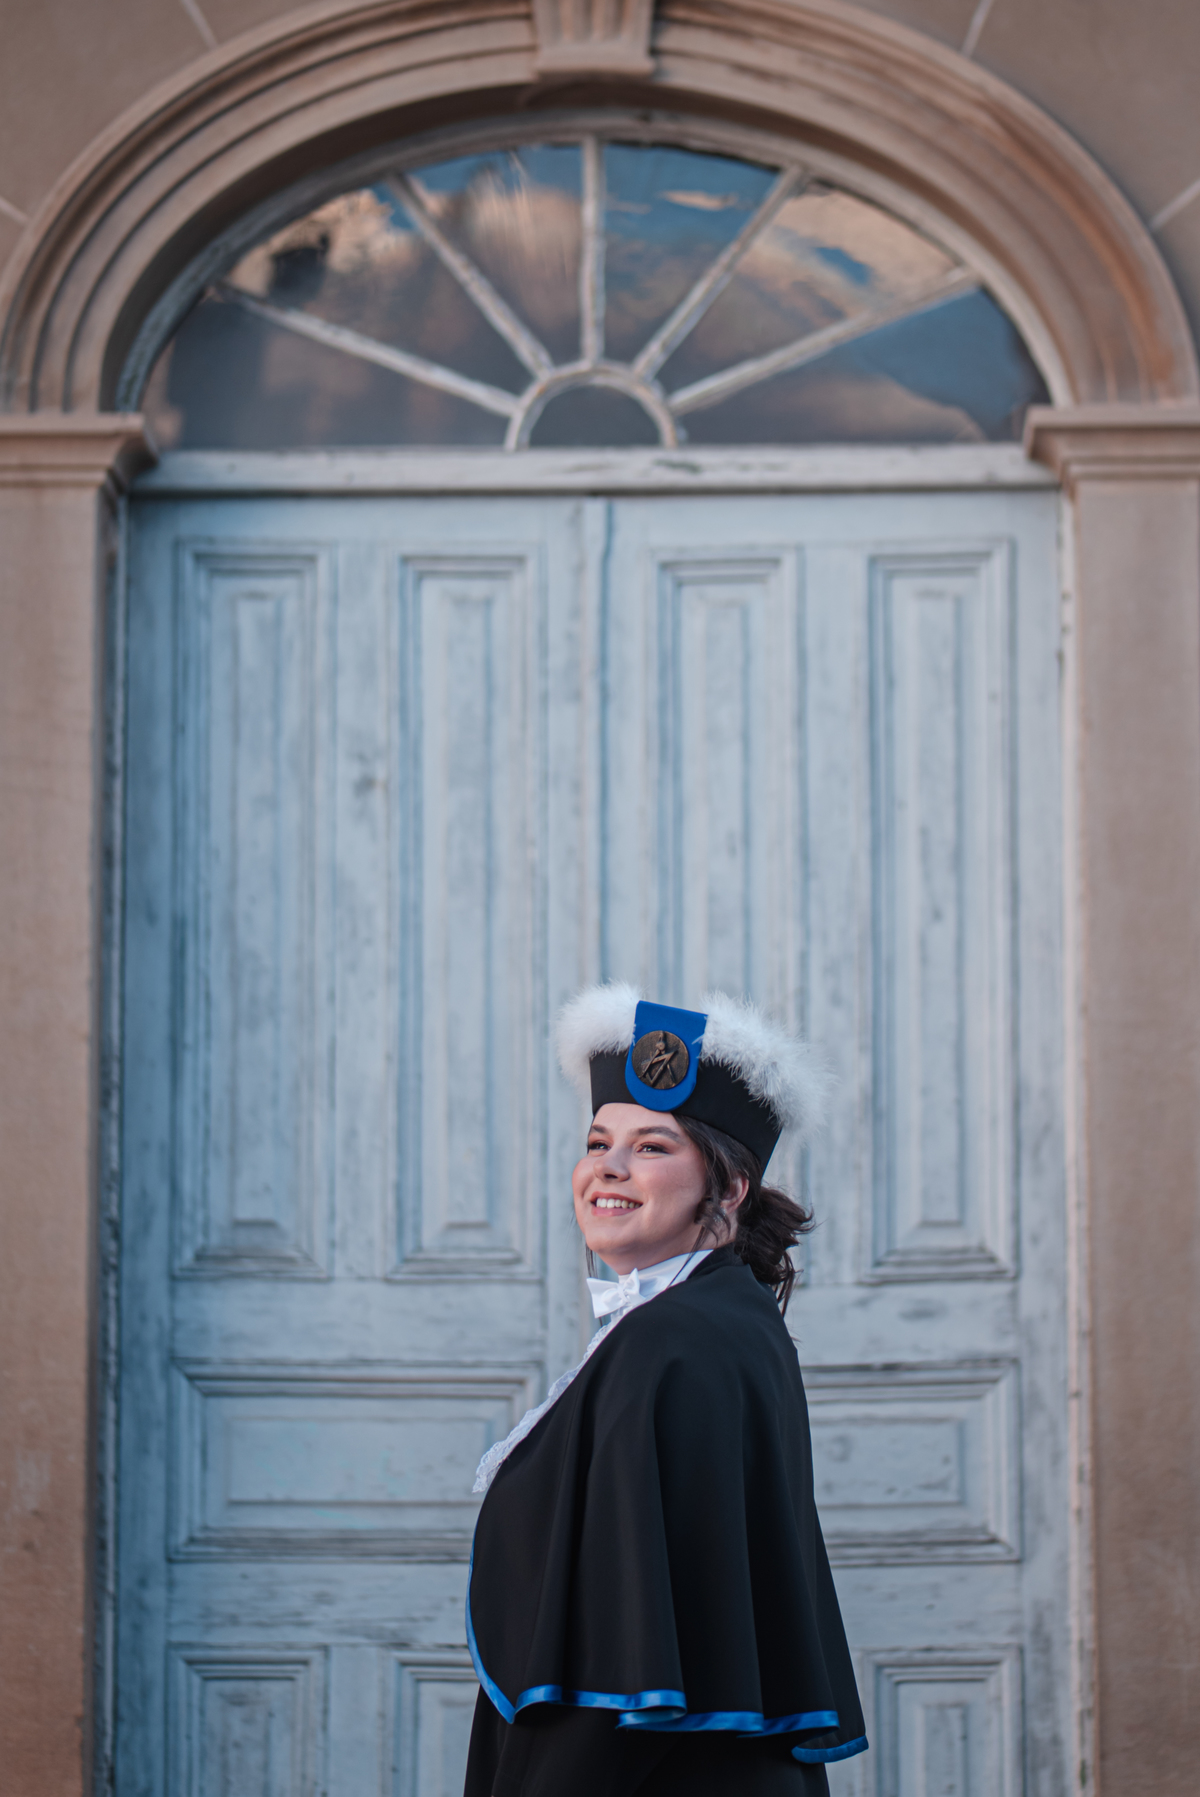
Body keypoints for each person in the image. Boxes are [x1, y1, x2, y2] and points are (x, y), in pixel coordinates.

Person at [463, 984, 867, 1797]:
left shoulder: (676, 1343)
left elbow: (625, 1633)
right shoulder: (723, 1320)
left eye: (651, 1146)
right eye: (598, 1141)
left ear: (729, 1186)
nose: (607, 1168)